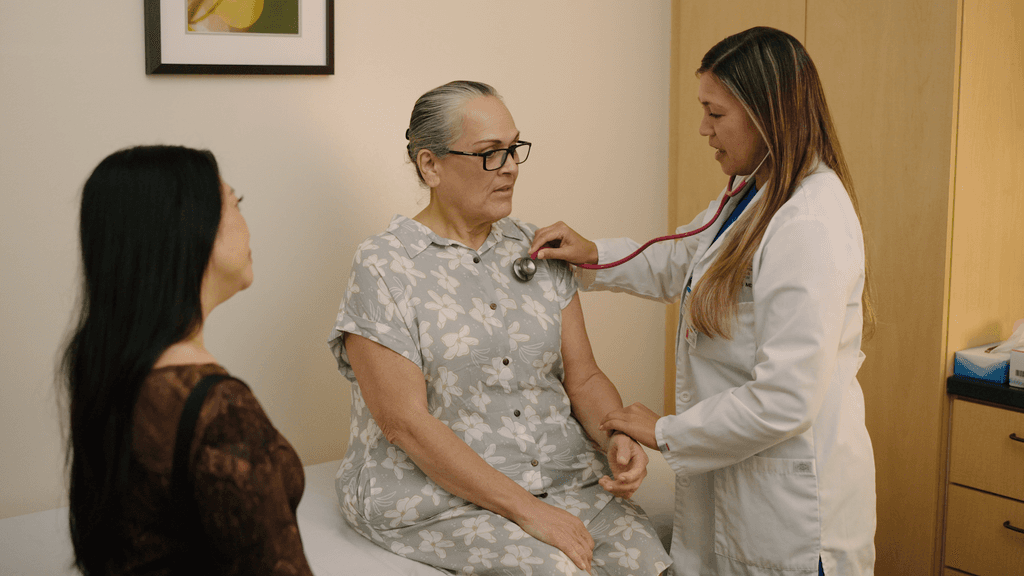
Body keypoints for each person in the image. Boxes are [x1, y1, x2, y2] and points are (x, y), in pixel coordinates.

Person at [530, 27, 877, 576]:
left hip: (791, 509)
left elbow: (787, 398)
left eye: (715, 114)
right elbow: (683, 261)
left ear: (766, 114)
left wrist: (663, 431)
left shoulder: (809, 220)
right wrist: (590, 254)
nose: (703, 129)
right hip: (738, 480)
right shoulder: (751, 193)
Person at [328, 80, 672, 575]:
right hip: (438, 495)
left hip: (564, 479)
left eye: (514, 149)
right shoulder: (385, 265)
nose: (510, 166)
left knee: (651, 566)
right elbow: (404, 423)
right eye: (490, 153)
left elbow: (584, 378)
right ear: (431, 165)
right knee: (556, 571)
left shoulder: (540, 247)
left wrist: (614, 434)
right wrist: (530, 512)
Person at [60, 145, 313, 575]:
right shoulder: (221, 411)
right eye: (237, 203)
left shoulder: (103, 362)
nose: (248, 226)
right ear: (191, 228)